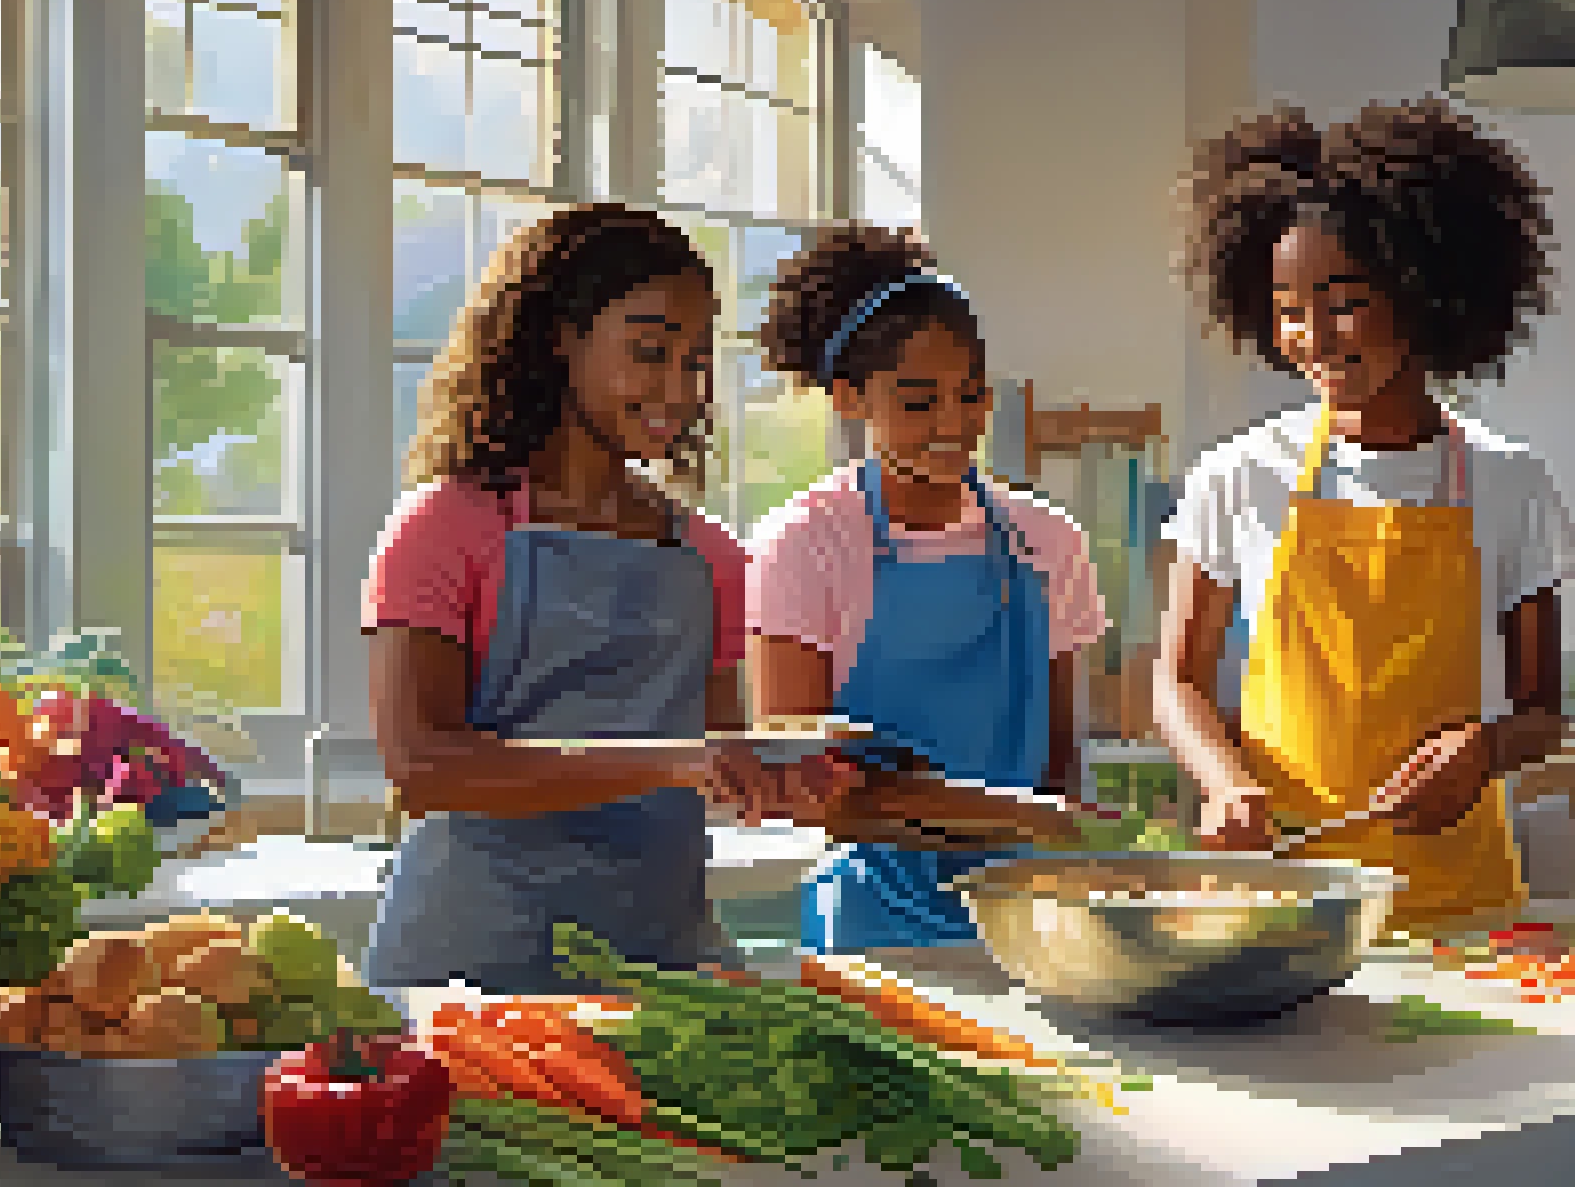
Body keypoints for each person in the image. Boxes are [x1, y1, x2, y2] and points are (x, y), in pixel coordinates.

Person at [360, 204, 838, 1003]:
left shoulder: (711, 560)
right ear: (559, 337)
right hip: (467, 979)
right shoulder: (446, 528)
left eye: (695, 362)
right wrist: (677, 761)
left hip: (658, 973)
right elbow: (424, 768)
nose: (678, 389)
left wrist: (777, 774)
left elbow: (713, 757)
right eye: (650, 352)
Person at [1155, 97, 1575, 938]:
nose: (1313, 336)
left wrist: (1486, 750)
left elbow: (1542, 711)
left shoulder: (1508, 482)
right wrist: (1224, 782)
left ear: (1423, 294)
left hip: (1461, 901)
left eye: (1344, 301)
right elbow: (1177, 680)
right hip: (1290, 888)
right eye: (1287, 308)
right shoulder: (1239, 476)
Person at [750, 224, 1109, 953]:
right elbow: (801, 782)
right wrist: (1030, 818)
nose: (953, 425)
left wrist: (1066, 846)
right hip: (871, 921)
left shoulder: (1049, 541)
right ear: (850, 399)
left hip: (1028, 914)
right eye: (918, 404)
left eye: (970, 398)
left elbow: (1060, 759)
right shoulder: (807, 543)